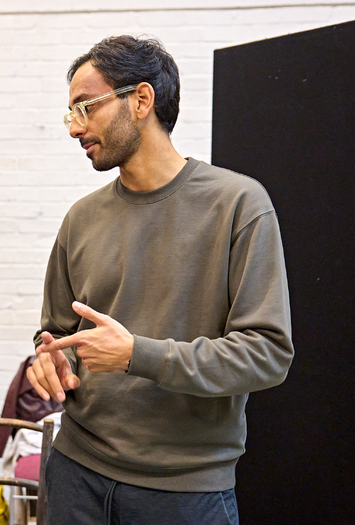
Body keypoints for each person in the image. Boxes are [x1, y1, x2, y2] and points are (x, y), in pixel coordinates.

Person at [26, 35, 293, 525]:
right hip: (74, 475)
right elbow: (58, 334)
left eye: (85, 106)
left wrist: (136, 355)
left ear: (142, 100)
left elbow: (267, 354)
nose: (74, 128)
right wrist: (47, 360)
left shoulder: (238, 204)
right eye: (71, 113)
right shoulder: (81, 219)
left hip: (184, 494)